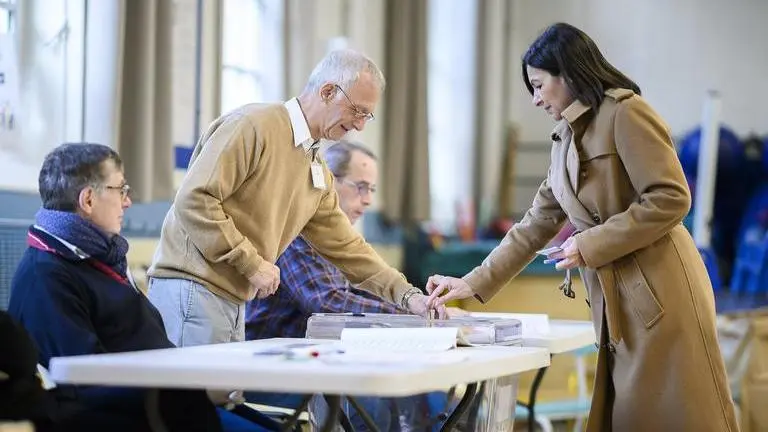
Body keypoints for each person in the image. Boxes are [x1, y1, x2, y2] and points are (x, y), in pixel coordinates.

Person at [425, 23, 739, 432]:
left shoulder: (626, 112)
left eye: (539, 85)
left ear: (568, 74)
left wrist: (590, 243)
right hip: (617, 301)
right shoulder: (564, 139)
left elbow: (671, 197)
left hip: (662, 293)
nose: (536, 99)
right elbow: (535, 224)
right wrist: (471, 282)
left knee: (677, 416)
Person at [146, 48, 438, 350]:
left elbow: (348, 247)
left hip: (233, 299)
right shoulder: (253, 125)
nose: (360, 125)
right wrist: (251, 263)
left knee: (221, 384)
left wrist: (407, 296)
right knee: (194, 384)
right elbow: (195, 199)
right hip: (193, 287)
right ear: (327, 91)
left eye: (367, 115)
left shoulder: (314, 165)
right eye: (357, 111)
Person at [7, 143, 270, 431]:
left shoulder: (97, 258)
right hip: (145, 416)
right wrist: (186, 384)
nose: (128, 201)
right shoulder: (46, 276)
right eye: (120, 190)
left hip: (173, 403)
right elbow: (83, 383)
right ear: (88, 200)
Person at [245, 141, 451, 431]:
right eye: (361, 187)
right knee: (376, 401)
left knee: (426, 395)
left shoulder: (339, 243)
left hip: (315, 367)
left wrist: (423, 307)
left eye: (372, 190)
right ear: (328, 182)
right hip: (271, 372)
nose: (368, 200)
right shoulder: (296, 235)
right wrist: (413, 315)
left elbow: (359, 292)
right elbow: (328, 302)